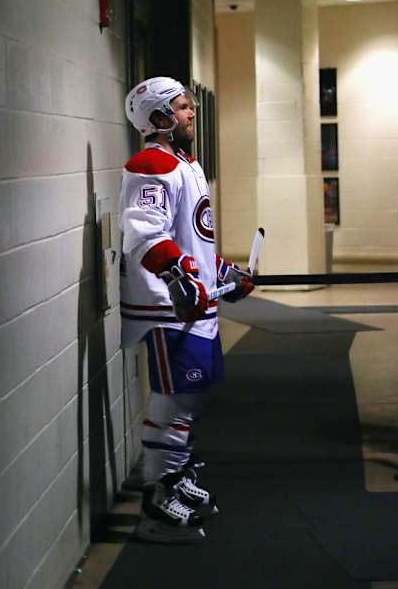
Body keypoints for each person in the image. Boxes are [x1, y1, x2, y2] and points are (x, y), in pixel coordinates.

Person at [119, 76, 254, 543]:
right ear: (157, 117)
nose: (190, 112)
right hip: (168, 309)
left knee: (189, 401)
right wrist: (179, 277)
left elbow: (194, 239)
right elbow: (143, 232)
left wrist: (223, 274)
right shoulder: (150, 164)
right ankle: (157, 501)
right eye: (180, 106)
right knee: (173, 399)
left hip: (195, 308)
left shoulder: (186, 163)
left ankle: (174, 478)